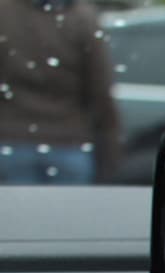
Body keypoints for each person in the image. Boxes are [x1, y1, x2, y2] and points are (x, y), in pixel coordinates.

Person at [0, 0, 119, 183]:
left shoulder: (5, 13)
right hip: (69, 141)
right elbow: (100, 89)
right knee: (69, 202)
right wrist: (110, 147)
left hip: (14, 139)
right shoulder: (82, 17)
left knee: (17, 201)